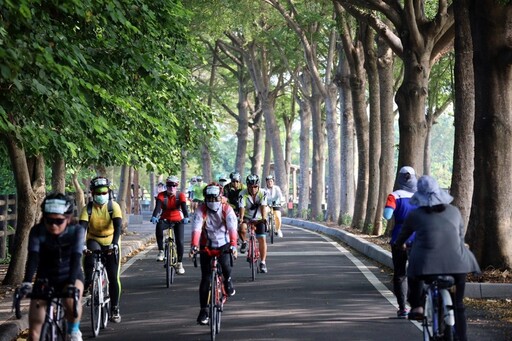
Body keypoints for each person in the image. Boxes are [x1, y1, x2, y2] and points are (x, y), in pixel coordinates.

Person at [396, 175, 480, 341]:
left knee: (412, 270)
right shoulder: (454, 211)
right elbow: (460, 237)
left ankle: (418, 306)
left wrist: (401, 245)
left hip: (426, 266)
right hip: (458, 265)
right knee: (459, 306)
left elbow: (402, 237)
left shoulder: (415, 215)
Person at [20, 193, 85, 341]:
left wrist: (71, 284)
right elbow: (33, 257)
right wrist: (26, 282)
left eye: (58, 221)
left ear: (68, 219)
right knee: (34, 334)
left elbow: (76, 258)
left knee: (71, 300)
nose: (53, 225)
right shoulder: (37, 230)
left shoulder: (76, 231)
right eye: (49, 220)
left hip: (70, 274)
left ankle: (74, 331)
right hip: (45, 277)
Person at [189, 183, 238, 325]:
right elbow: (196, 229)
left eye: (215, 199)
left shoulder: (227, 210)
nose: (212, 202)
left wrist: (234, 245)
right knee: (205, 278)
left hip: (224, 243)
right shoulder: (200, 211)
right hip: (207, 245)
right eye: (208, 199)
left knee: (226, 266)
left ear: (220, 197)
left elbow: (232, 229)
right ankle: (203, 310)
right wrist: (194, 246)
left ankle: (227, 280)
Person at [80, 176, 123, 323]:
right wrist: (81, 245)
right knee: (89, 259)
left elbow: (118, 227)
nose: (101, 195)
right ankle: (88, 282)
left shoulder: (113, 207)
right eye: (98, 192)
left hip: (111, 240)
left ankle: (115, 309)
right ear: (92, 193)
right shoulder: (88, 209)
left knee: (113, 276)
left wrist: (115, 244)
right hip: (94, 239)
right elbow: (82, 229)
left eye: (104, 192)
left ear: (109, 192)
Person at [383, 166, 417, 318]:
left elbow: (387, 215)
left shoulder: (394, 196)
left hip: (399, 238)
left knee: (400, 273)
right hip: (419, 238)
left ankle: (403, 308)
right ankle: (419, 306)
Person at [150, 175, 189, 274]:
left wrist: (186, 217)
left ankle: (179, 263)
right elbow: (158, 208)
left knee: (180, 241)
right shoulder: (161, 195)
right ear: (166, 186)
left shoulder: (180, 195)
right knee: (158, 226)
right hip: (165, 219)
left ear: (177, 186)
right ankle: (161, 251)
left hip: (178, 220)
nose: (171, 188)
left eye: (174, 185)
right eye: (169, 185)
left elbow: (184, 208)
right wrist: (154, 216)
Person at [238, 174, 269, 273]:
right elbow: (241, 207)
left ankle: (263, 263)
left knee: (262, 239)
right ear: (247, 186)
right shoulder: (242, 193)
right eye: (250, 187)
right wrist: (241, 218)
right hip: (247, 217)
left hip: (259, 218)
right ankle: (244, 242)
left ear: (258, 185)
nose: (253, 189)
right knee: (242, 228)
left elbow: (263, 206)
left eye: (255, 186)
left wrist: (264, 218)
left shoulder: (263, 193)